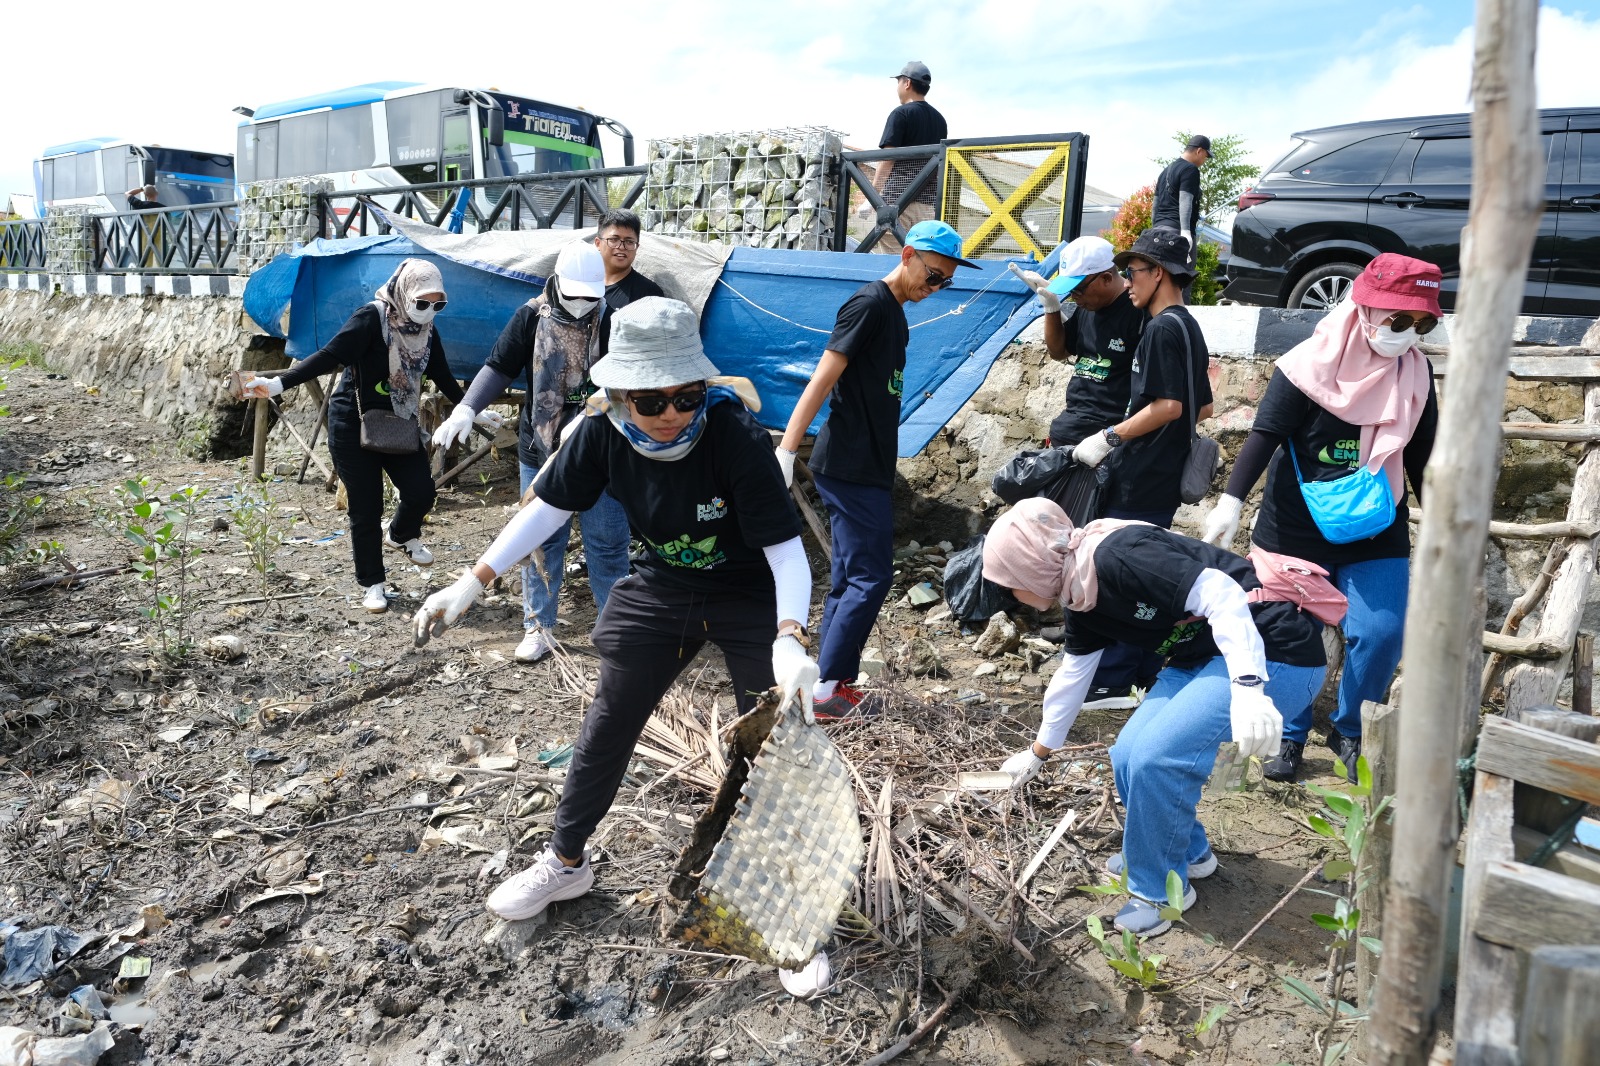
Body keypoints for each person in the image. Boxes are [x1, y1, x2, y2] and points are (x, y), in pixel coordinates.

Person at [412, 298, 824, 982]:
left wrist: (789, 636)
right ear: (619, 393)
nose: (669, 414)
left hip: (750, 593)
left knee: (779, 742)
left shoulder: (735, 438)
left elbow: (787, 553)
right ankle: (565, 863)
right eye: (650, 400)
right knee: (608, 722)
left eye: (685, 397)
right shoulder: (602, 431)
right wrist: (472, 582)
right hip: (662, 586)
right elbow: (546, 509)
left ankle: (793, 905)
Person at [984, 498, 1326, 935]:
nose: (1014, 596)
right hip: (1202, 655)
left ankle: (1158, 892)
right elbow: (1073, 675)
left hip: (1274, 654)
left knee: (1157, 759)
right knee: (1127, 752)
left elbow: (1222, 593)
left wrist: (1247, 687)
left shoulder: (1118, 555)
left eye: (1010, 584)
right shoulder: (1080, 592)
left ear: (1030, 565)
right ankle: (1185, 853)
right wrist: (1039, 752)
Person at [1201, 254, 1441, 783]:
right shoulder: (1307, 364)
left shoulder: (1416, 373)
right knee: (1293, 633)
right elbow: (1263, 434)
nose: (1408, 334)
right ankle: (1289, 733)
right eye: (1399, 320)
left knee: (1382, 632)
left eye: (1421, 324)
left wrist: (1443, 524)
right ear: (1364, 308)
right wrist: (1232, 501)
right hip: (1296, 526)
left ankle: (1350, 730)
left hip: (1376, 524)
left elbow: (1421, 455)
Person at [776, 220, 978, 720]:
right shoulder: (869, 305)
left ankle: (826, 680)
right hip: (848, 463)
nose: (935, 288)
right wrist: (786, 449)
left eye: (945, 282)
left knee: (849, 575)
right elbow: (823, 378)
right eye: (932, 275)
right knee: (872, 575)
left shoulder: (897, 313)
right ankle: (826, 689)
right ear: (907, 254)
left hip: (866, 463)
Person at [433, 241, 628, 664]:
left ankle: (616, 630)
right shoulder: (530, 316)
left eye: (590, 297)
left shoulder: (613, 320)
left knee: (608, 543)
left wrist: (596, 410)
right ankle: (538, 627)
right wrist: (467, 407)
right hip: (541, 448)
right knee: (542, 542)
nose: (581, 304)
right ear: (557, 283)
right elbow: (499, 366)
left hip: (600, 452)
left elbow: (628, 380)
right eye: (573, 295)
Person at [240, 259, 472, 613]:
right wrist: (278, 382)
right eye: (422, 302)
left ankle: (400, 534)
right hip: (354, 423)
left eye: (438, 305)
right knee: (366, 507)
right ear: (404, 292)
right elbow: (330, 355)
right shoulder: (372, 318)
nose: (429, 311)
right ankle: (373, 584)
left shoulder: (426, 332)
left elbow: (441, 373)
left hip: (399, 421)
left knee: (421, 491)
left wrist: (472, 407)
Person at [1066, 228, 1211, 700]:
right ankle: (1147, 667)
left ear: (1160, 273)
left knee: (1122, 570)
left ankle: (1114, 677)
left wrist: (1110, 435)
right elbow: (1201, 407)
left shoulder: (1162, 327)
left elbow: (1169, 405)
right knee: (1151, 571)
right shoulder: (1188, 325)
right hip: (1164, 471)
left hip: (1143, 473)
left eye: (1134, 272)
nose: (1128, 282)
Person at [869, 61, 948, 252]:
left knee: (894, 260)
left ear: (907, 83)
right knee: (921, 258)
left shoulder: (900, 114)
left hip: (897, 201)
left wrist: (873, 195)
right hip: (928, 205)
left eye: (898, 81)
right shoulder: (940, 120)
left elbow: (888, 158)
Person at [593, 208, 665, 355]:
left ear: (637, 247)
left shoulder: (648, 295)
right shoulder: (580, 285)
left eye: (629, 241)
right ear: (598, 243)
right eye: (613, 239)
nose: (621, 247)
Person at [1151, 135, 1210, 261]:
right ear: (1199, 151)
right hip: (1177, 233)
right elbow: (1185, 201)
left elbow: (1155, 205)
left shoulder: (1165, 171)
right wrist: (1186, 232)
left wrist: (1154, 228)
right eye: (1206, 155)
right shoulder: (1190, 169)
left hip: (1158, 231)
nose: (1205, 160)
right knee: (1182, 277)